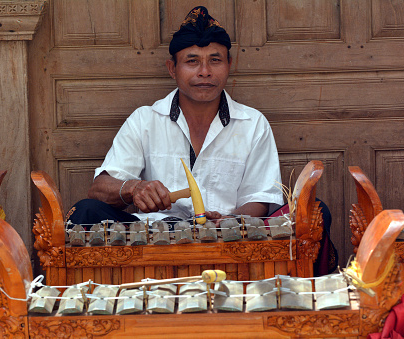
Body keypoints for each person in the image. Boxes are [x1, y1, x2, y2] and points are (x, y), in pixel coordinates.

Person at [67, 6, 283, 226]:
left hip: (228, 235)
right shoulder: (145, 120)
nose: (205, 71)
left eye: (215, 60)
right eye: (192, 61)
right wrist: (134, 188)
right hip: (157, 234)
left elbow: (260, 198)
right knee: (86, 211)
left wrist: (228, 221)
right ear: (172, 69)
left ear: (230, 64)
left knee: (316, 212)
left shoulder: (253, 123)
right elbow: (99, 189)